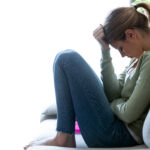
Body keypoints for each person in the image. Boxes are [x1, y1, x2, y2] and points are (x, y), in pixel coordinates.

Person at [24, 2, 150, 149]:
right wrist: (105, 50)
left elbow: (129, 114)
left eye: (121, 48)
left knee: (67, 58)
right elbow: (112, 93)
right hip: (115, 126)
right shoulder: (137, 57)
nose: (122, 55)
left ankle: (63, 137)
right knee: (63, 58)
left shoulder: (148, 59)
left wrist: (112, 104)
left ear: (131, 34)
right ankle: (63, 136)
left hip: (120, 134)